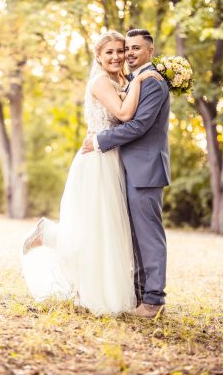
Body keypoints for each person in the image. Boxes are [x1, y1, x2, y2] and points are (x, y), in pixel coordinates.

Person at [21, 30, 162, 316]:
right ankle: (48, 234)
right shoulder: (100, 82)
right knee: (95, 228)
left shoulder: (122, 80)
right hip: (96, 159)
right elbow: (123, 114)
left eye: (120, 51)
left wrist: (136, 81)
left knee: (107, 229)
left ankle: (111, 290)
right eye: (109, 52)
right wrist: (143, 79)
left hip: (113, 159)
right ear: (98, 56)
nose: (116, 56)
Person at [82, 29, 171, 319]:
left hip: (145, 168)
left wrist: (99, 141)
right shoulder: (130, 80)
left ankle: (154, 300)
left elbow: (137, 126)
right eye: (126, 48)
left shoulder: (153, 83)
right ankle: (140, 295)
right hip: (124, 167)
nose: (128, 54)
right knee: (128, 235)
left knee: (148, 236)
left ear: (150, 51)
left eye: (134, 48)